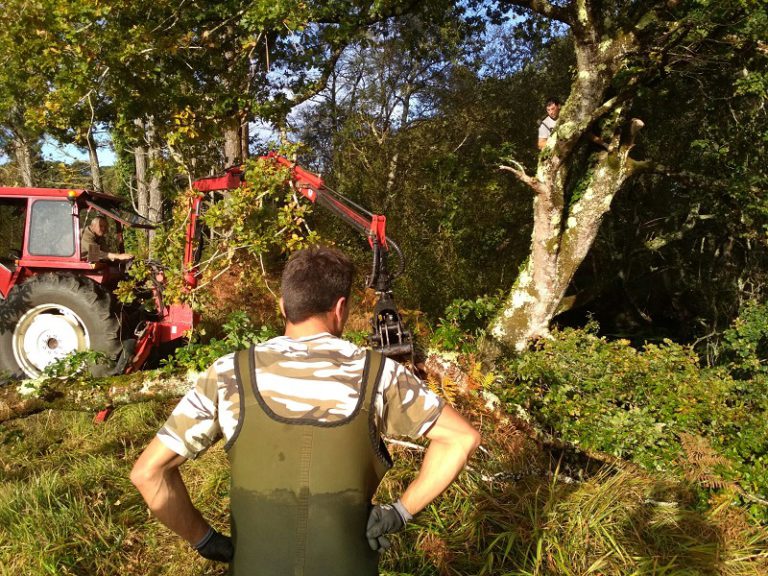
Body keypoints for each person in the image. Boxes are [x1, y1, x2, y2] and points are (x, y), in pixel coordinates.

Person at [130, 245, 481, 575]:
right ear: (340, 308)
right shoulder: (379, 374)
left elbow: (148, 473)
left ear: (283, 306)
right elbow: (460, 439)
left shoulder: (227, 374)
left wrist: (207, 540)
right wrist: (400, 512)